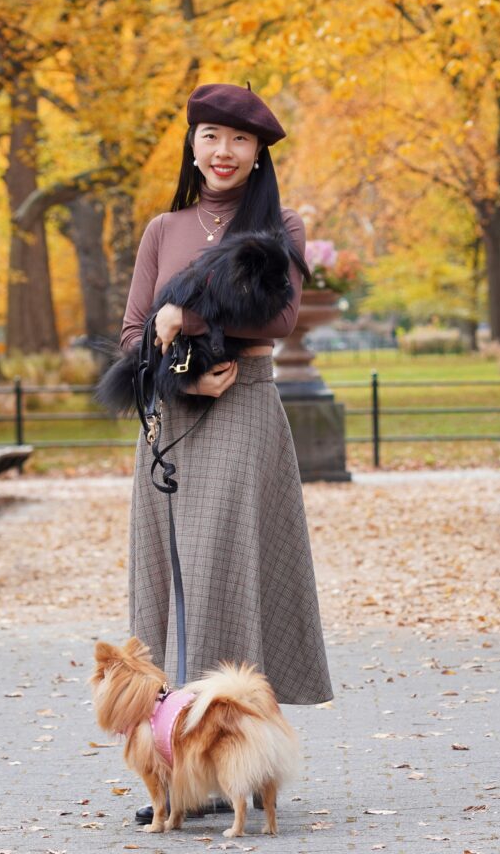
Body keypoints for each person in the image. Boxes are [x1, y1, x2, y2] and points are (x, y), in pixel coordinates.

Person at [118, 83, 333, 824]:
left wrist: (196, 315)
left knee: (222, 576)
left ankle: (221, 759)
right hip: (168, 418)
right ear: (193, 144)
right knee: (163, 584)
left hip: (242, 409)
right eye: (210, 136)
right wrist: (172, 356)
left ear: (258, 153)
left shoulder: (283, 226)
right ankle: (171, 762)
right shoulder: (162, 228)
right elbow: (132, 334)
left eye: (239, 141)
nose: (223, 152)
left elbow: (277, 316)